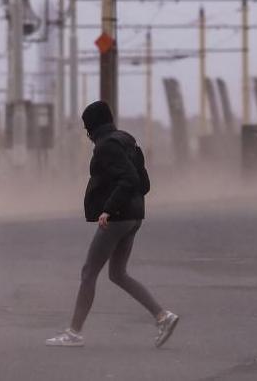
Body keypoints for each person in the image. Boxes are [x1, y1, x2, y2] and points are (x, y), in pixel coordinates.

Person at [46, 101, 179, 348]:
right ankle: (163, 316)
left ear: (92, 127)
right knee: (117, 273)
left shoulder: (106, 147)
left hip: (117, 218)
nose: (87, 134)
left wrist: (109, 208)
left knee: (88, 272)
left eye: (87, 128)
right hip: (133, 216)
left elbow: (128, 178)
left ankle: (73, 333)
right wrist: (130, 205)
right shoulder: (127, 140)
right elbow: (143, 182)